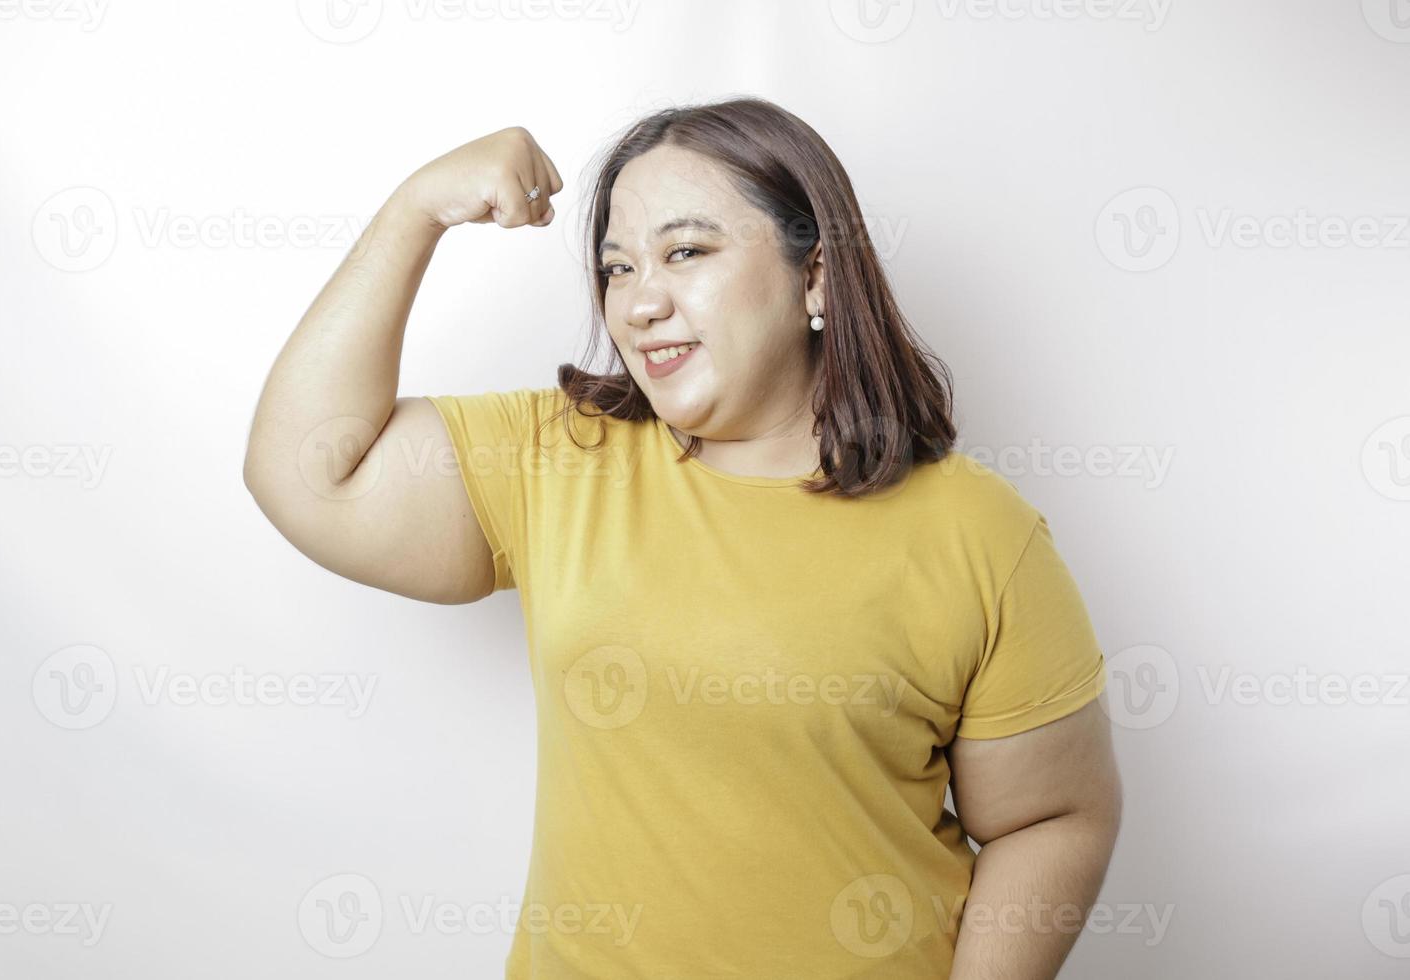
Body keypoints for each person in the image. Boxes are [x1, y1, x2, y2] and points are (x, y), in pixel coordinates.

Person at [243, 96, 1123, 980]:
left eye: (686, 252)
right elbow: (309, 474)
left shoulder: (978, 533)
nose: (640, 302)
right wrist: (417, 211)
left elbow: (1047, 818)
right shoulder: (561, 457)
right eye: (617, 268)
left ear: (815, 276)